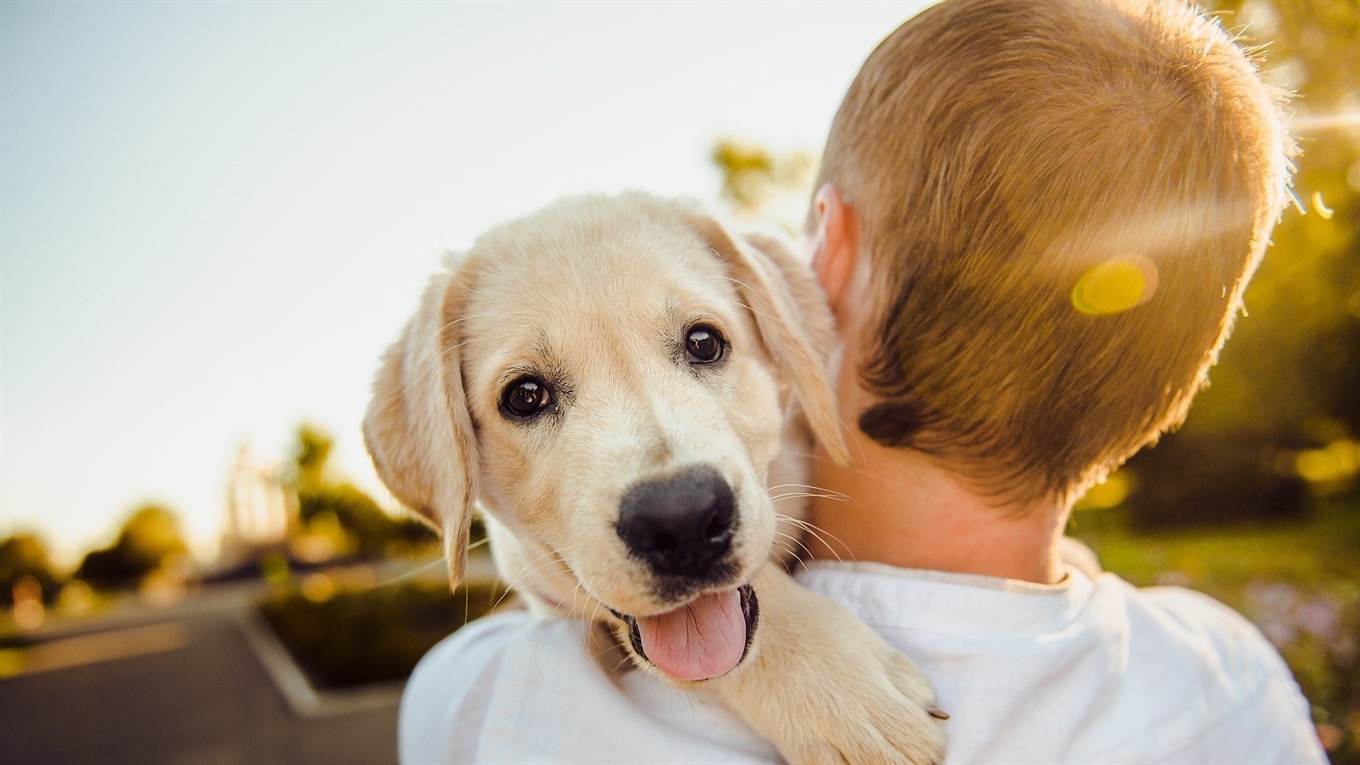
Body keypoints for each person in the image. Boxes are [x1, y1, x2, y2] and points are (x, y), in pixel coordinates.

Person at [399, 0, 1327, 762]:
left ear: (823, 264)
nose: (672, 483)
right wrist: (772, 644)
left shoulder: (485, 705)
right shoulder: (1232, 683)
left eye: (701, 343)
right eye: (530, 397)